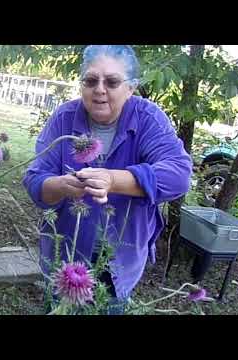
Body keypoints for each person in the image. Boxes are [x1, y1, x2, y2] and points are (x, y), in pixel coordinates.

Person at [22, 45, 192, 314]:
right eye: (90, 81)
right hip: (64, 258)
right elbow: (34, 180)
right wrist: (61, 186)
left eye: (112, 81)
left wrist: (114, 180)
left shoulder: (148, 120)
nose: (99, 89)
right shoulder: (64, 119)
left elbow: (179, 176)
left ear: (131, 88)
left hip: (119, 264)